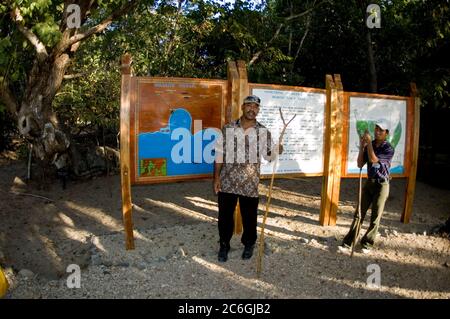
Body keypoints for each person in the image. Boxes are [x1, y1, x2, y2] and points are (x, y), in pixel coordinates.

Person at [213, 95, 283, 262]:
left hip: (250, 183)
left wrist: (277, 150)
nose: (252, 109)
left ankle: (249, 244)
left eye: (256, 107)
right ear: (243, 107)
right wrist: (216, 178)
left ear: (258, 110)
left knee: (249, 217)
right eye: (249, 106)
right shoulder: (228, 128)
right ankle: (224, 245)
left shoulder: (263, 132)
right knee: (224, 217)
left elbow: (268, 156)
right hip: (227, 181)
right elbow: (220, 154)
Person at [340, 120, 394, 254]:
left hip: (382, 184)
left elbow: (374, 160)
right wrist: (362, 147)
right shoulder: (372, 144)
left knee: (375, 216)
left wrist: (369, 143)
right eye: (376, 129)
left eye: (381, 130)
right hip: (369, 183)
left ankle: (367, 243)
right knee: (359, 213)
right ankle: (349, 241)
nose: (377, 132)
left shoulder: (388, 148)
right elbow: (360, 164)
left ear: (386, 133)